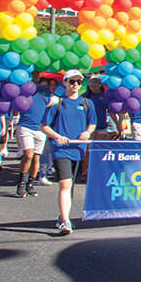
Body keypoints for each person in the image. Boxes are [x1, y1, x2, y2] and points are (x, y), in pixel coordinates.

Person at [41, 70, 97, 236]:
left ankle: (63, 215)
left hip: (78, 149)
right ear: (64, 83)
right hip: (61, 149)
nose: (75, 85)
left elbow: (92, 123)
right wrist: (58, 137)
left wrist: (87, 132)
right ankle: (65, 221)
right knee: (65, 184)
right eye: (72, 81)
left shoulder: (87, 103)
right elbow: (44, 126)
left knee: (71, 184)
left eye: (78, 82)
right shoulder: (57, 102)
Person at [13, 78, 50, 197]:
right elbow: (16, 110)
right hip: (25, 127)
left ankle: (30, 184)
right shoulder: (25, 95)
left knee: (36, 158)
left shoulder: (48, 98)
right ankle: (21, 183)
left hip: (40, 129)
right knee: (28, 154)